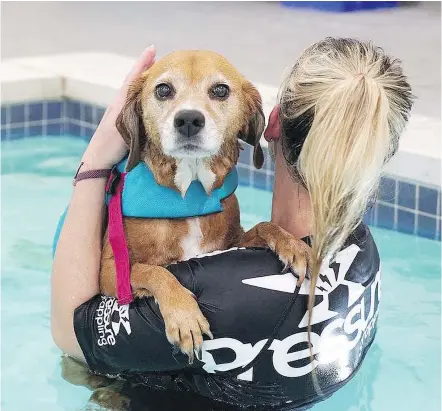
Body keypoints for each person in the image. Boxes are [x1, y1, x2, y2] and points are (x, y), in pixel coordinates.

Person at [51, 38, 413, 410]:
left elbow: (70, 336)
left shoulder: (214, 295)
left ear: (266, 123)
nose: (190, 112)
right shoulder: (362, 250)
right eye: (164, 93)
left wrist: (95, 158)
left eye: (219, 92)